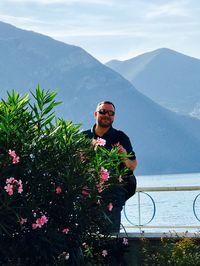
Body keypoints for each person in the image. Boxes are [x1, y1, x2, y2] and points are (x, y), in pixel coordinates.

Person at [83, 101, 137, 233]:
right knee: (87, 239)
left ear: (114, 117)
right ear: (95, 114)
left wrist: (123, 156)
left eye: (111, 113)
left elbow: (132, 166)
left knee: (111, 238)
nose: (106, 115)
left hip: (113, 197)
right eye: (102, 112)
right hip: (88, 198)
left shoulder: (121, 137)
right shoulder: (84, 137)